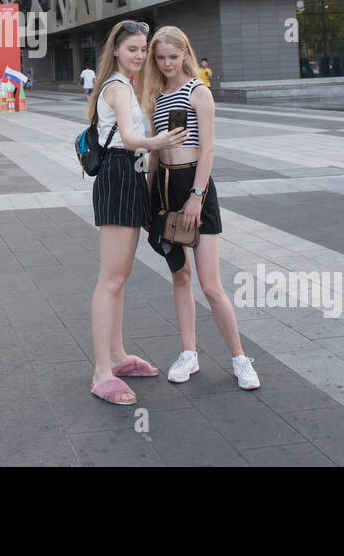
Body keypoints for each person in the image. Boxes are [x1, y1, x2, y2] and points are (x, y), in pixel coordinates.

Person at [142, 26, 260, 391]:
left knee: (211, 285)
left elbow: (207, 150)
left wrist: (196, 195)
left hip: (196, 185)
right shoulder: (156, 96)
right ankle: (189, 353)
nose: (166, 64)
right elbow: (155, 153)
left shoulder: (198, 91)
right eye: (160, 58)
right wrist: (148, 202)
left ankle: (240, 358)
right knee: (180, 277)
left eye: (172, 57)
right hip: (165, 187)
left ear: (185, 54)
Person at [87, 21, 188, 404]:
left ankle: (116, 356)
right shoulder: (115, 87)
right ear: (116, 50)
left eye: (143, 49)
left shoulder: (125, 85)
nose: (141, 56)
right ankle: (101, 372)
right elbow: (129, 139)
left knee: (121, 275)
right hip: (118, 171)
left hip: (129, 175)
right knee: (110, 278)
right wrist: (157, 141)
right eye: (133, 49)